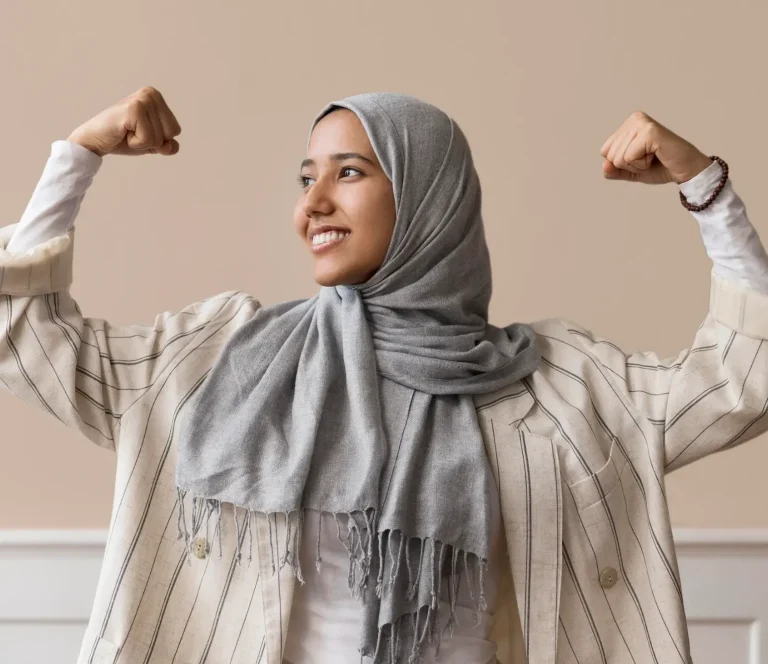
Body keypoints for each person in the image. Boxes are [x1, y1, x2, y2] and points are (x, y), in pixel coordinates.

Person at [2, 87, 767, 664]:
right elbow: (25, 335)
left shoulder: (559, 385)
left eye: (350, 172)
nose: (314, 203)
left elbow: (745, 377)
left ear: (430, 198)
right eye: (306, 178)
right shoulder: (224, 363)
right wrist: (78, 154)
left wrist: (706, 189)